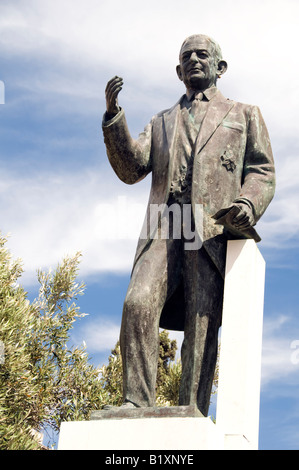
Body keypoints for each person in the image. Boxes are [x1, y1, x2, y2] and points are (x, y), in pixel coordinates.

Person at [102, 34, 275, 416]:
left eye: (202, 54)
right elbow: (131, 168)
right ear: (179, 71)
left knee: (202, 322)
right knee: (137, 302)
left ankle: (191, 411)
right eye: (186, 57)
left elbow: (262, 171)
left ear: (220, 67)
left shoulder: (244, 114)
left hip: (210, 228)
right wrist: (114, 118)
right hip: (166, 226)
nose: (194, 60)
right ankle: (136, 401)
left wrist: (247, 202)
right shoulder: (161, 121)